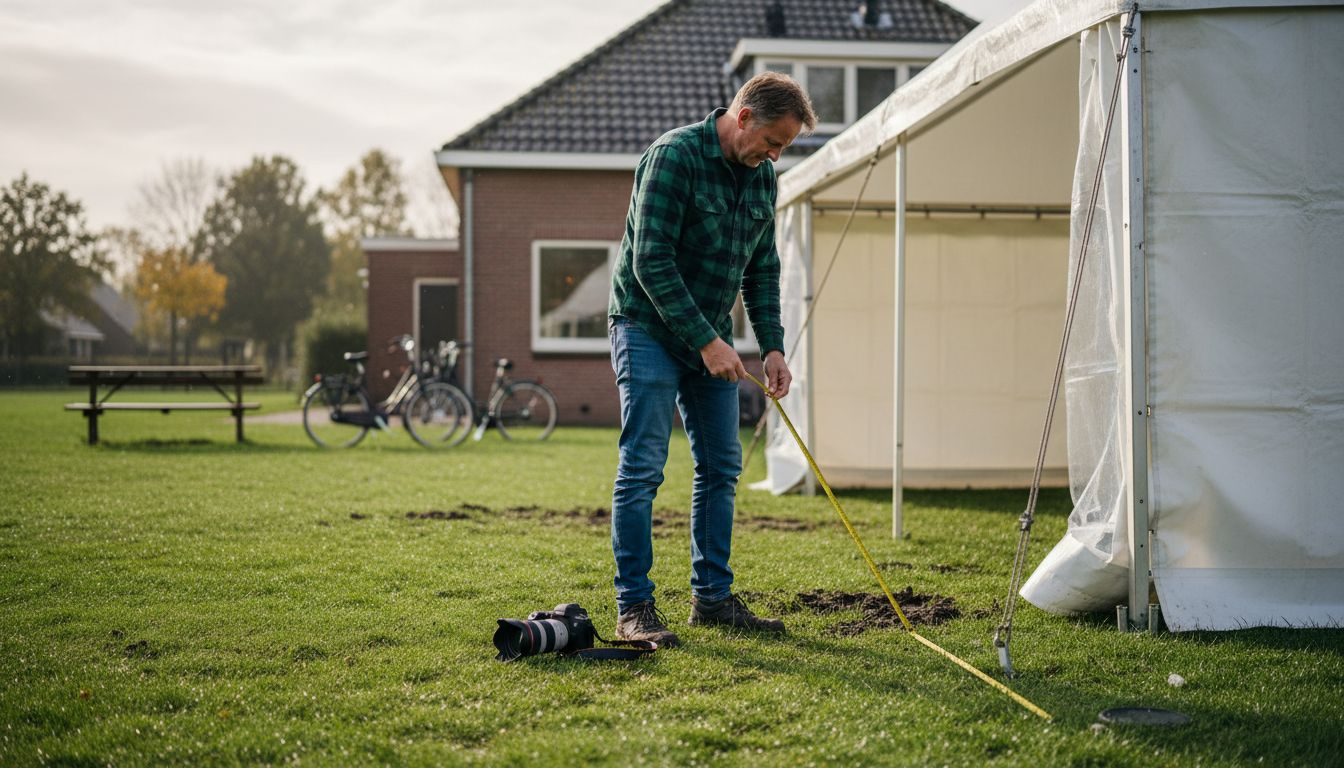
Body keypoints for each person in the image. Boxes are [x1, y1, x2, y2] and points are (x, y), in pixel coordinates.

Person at [607, 72, 816, 647]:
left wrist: (771, 344)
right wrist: (706, 340)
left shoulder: (762, 177)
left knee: (722, 467)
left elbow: (762, 268)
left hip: (710, 338)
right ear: (742, 116)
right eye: (772, 141)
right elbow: (650, 262)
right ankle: (635, 609)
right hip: (646, 326)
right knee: (645, 466)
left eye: (783, 149)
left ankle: (713, 600)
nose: (774, 156)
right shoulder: (673, 157)